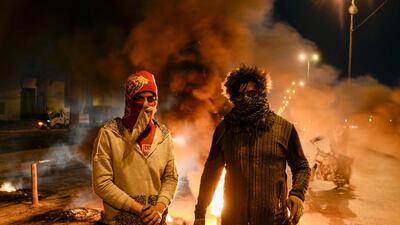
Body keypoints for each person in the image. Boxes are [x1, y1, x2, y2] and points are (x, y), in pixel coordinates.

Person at [194, 65, 311, 225]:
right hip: (232, 221)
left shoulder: (284, 128)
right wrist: (200, 212)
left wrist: (297, 194)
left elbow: (301, 166)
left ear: (262, 94)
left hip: (274, 221)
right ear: (233, 97)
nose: (246, 99)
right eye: (240, 95)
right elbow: (211, 173)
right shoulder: (224, 130)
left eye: (252, 93)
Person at [92, 70, 178, 225]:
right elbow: (102, 183)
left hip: (156, 221)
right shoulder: (110, 134)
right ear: (129, 99)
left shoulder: (164, 136)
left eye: (151, 98)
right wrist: (139, 210)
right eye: (139, 98)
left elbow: (170, 177)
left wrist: (159, 207)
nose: (145, 104)